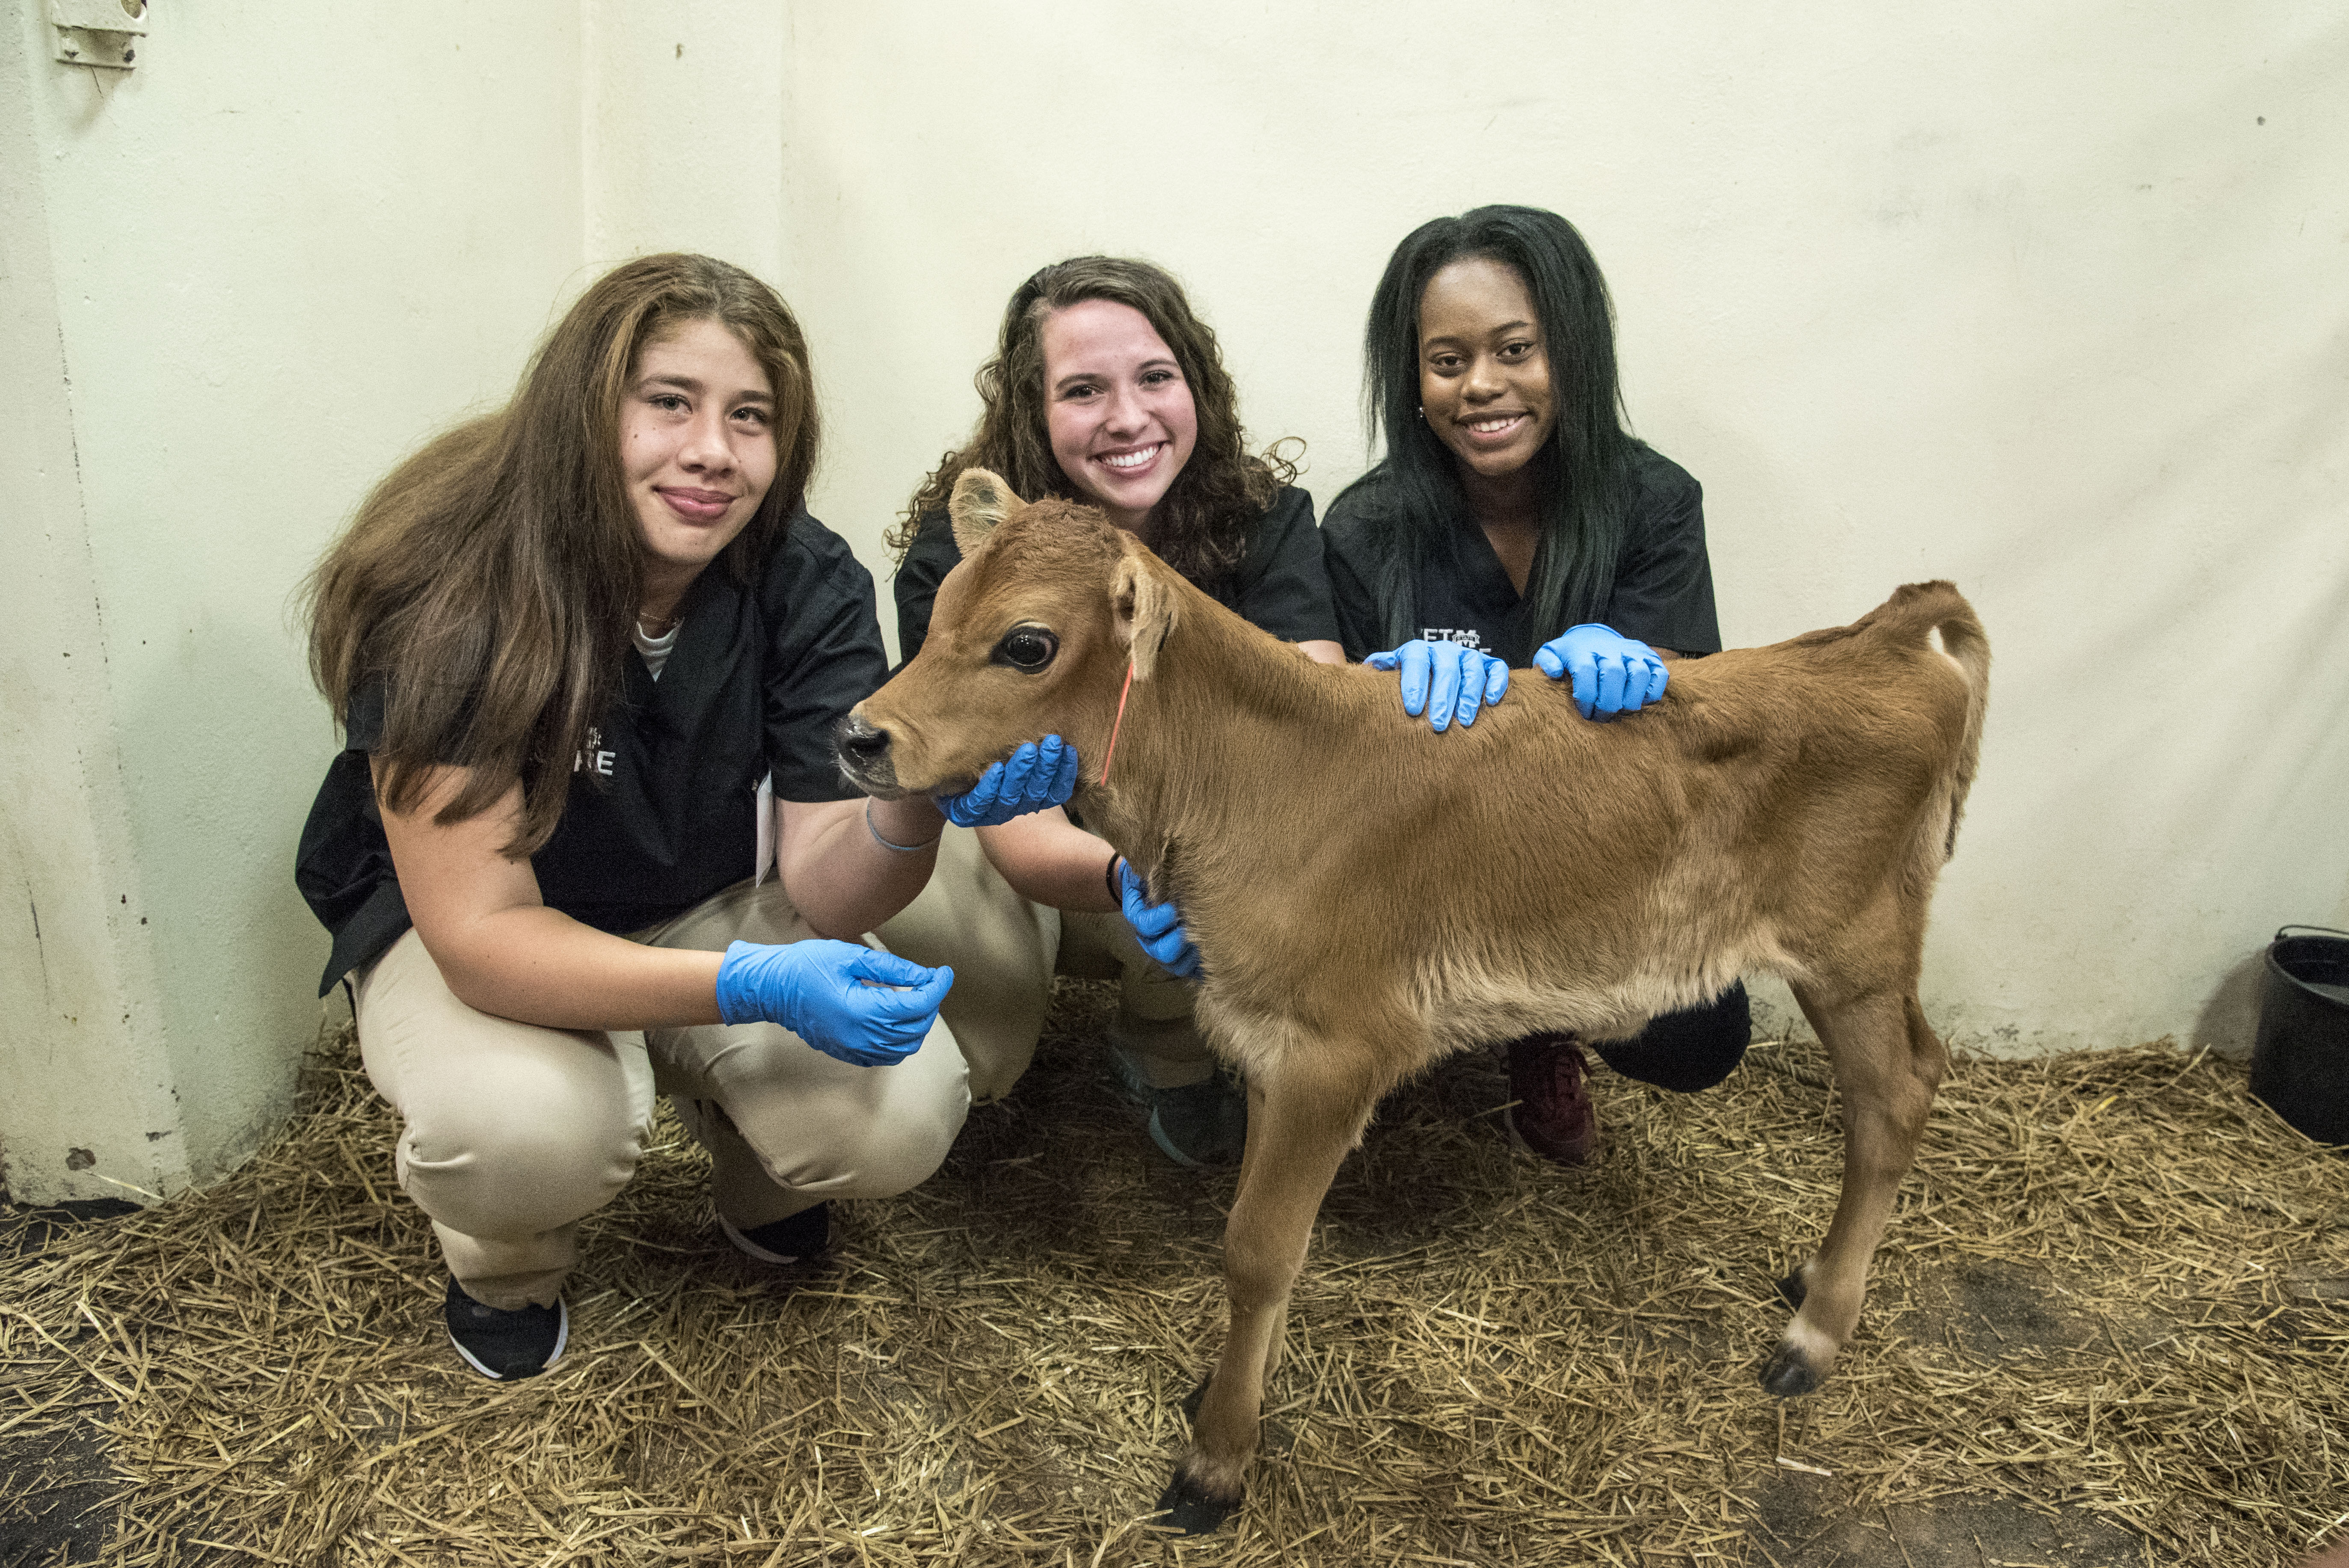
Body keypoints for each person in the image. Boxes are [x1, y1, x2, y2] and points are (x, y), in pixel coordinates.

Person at [294, 255, 1069, 1381]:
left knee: (902, 1109)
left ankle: (758, 1165)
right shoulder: (451, 580)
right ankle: (506, 1259)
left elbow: (821, 877)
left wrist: (909, 808)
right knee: (527, 1127)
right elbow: (484, 933)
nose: (712, 450)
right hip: (486, 922)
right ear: (584, 407)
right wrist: (748, 988)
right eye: (669, 403)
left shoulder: (805, 579)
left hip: (696, 889)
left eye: (750, 417)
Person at [880, 255, 1347, 1168]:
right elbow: (1013, 825)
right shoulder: (964, 553)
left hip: (1197, 835)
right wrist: (1132, 884)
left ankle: (1165, 1044)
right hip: (1041, 852)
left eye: (1156, 378)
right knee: (985, 1049)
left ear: (1196, 387)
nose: (1128, 418)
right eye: (1084, 390)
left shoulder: (1264, 518)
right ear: (1034, 412)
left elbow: (1310, 727)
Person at [1321, 205, 1751, 1166]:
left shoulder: (1656, 504)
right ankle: (1444, 1027)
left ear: (1574, 351)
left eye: (1517, 349)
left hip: (1598, 850)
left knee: (1698, 1033)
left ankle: (1542, 1028)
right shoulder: (1364, 531)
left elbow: (1692, 725)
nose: (1483, 386)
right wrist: (1376, 695)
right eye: (1447, 361)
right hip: (1434, 855)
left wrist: (1648, 678)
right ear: (1413, 378)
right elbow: (1343, 764)